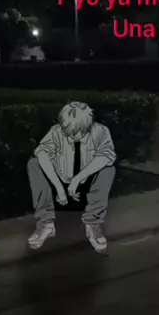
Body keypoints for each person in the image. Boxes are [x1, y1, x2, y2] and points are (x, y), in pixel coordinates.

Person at [27, 101, 116, 252]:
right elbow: (42, 154)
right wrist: (59, 188)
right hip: (60, 185)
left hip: (86, 186)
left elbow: (106, 156)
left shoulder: (100, 131)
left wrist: (77, 179)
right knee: (34, 163)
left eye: (81, 130)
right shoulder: (56, 131)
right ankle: (46, 223)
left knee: (108, 169)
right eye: (71, 131)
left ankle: (92, 223)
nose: (76, 135)